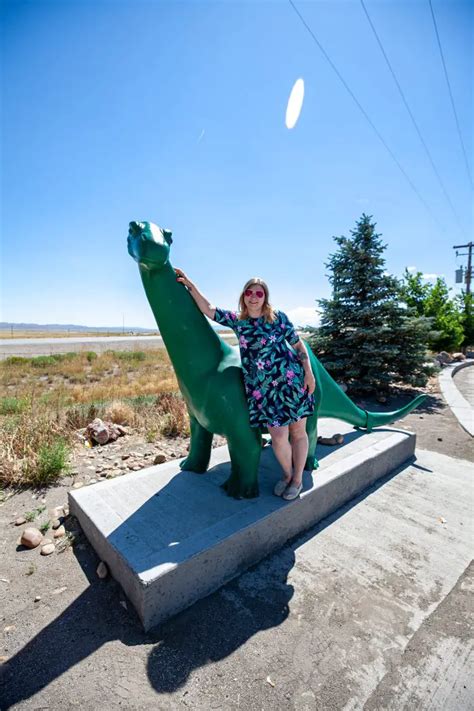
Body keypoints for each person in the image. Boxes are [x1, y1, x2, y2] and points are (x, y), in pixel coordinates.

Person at [174, 268, 316, 501]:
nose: (253, 297)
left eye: (258, 293)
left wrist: (308, 374)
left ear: (265, 297)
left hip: (292, 383)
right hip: (264, 391)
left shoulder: (278, 317)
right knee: (278, 436)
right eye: (249, 292)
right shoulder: (239, 322)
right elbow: (209, 310)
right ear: (244, 296)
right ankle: (287, 474)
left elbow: (299, 347)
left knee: (298, 433)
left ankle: (297, 480)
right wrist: (189, 284)